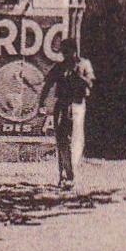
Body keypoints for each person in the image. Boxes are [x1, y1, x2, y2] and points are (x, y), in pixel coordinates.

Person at [40, 39, 95, 190]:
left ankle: (72, 174)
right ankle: (63, 174)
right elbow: (48, 83)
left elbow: (91, 84)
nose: (65, 55)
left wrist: (79, 76)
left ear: (74, 51)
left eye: (67, 51)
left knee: (75, 141)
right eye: (63, 52)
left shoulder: (84, 65)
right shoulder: (60, 66)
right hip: (62, 105)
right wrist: (41, 102)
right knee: (61, 140)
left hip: (77, 105)